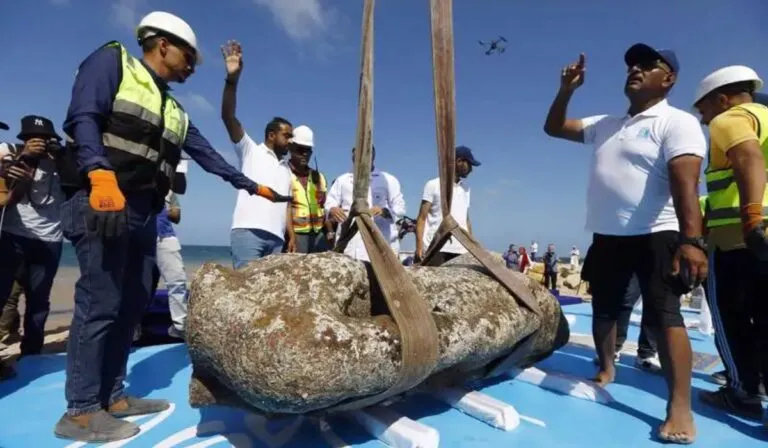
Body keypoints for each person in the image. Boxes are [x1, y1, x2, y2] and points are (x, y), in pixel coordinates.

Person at [55, 12, 291, 442]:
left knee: (132, 304)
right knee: (100, 301)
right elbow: (83, 116)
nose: (191, 66)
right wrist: (98, 173)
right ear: (161, 44)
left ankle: (112, 395)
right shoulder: (113, 63)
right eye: (188, 56)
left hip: (143, 213)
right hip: (101, 202)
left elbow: (208, 156)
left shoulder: (174, 110)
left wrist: (254, 186)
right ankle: (81, 410)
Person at [543, 44, 708, 443]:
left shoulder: (677, 122)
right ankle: (606, 367)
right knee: (604, 306)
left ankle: (679, 406)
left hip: (658, 234)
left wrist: (692, 241)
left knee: (664, 315)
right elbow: (553, 128)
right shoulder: (605, 124)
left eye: (648, 65)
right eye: (632, 65)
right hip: (607, 235)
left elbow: (686, 185)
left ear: (668, 79)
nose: (635, 69)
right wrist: (567, 90)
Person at [692, 65, 768, 421]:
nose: (705, 121)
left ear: (721, 100)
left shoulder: (729, 118)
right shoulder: (765, 116)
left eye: (704, 111)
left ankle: (744, 393)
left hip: (736, 241)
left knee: (731, 317)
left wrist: (752, 218)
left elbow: (747, 158)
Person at [220, 40, 294, 267]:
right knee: (244, 294)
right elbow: (228, 117)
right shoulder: (250, 149)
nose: (290, 141)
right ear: (271, 135)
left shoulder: (286, 168)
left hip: (277, 239)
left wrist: (290, 236)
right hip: (248, 233)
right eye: (286, 136)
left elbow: (287, 205)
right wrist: (232, 80)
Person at [0, 116, 65, 361]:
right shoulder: (11, 153)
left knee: (39, 301)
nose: (39, 144)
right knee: (3, 296)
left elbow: (76, 179)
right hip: (12, 235)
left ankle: (32, 355)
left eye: (45, 140)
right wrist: (25, 157)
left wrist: (60, 156)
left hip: (50, 239)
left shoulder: (60, 162)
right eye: (32, 139)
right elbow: (5, 179)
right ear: (23, 139)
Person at [326, 146, 406, 261]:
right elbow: (329, 203)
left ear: (373, 156)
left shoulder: (388, 180)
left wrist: (384, 211)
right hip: (349, 242)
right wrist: (332, 209)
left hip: (380, 241)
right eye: (356, 156)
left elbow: (400, 208)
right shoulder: (342, 180)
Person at [416, 146, 479, 264]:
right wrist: (419, 248)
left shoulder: (466, 188)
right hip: (436, 247)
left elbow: (466, 219)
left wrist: (471, 246)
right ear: (459, 161)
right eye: (469, 165)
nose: (471, 169)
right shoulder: (433, 185)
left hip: (461, 248)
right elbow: (421, 218)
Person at [286, 125, 329, 253]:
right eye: (300, 149)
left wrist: (329, 232)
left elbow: (324, 206)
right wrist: (291, 236)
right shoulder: (283, 173)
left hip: (319, 235)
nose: (305, 154)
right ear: (291, 148)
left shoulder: (319, 177)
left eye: (308, 150)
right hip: (295, 235)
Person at [155, 190, 188, 339]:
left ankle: (180, 327)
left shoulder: (168, 191)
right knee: (138, 285)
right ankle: (133, 327)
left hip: (165, 236)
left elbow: (176, 216)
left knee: (177, 281)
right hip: (137, 236)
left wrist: (158, 207)